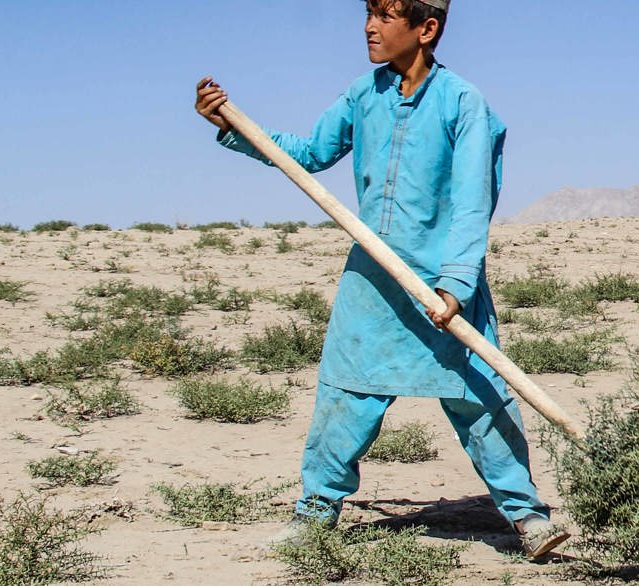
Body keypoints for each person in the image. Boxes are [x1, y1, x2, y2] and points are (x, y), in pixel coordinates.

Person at [192, 0, 569, 560]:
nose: (370, 27)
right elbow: (309, 153)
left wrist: (456, 285)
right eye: (368, 14)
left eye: (386, 16)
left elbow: (473, 201)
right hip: (373, 280)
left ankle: (527, 516)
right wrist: (233, 125)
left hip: (441, 282)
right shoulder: (362, 95)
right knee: (344, 397)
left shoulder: (463, 103)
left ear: (426, 28)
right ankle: (314, 512)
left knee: (479, 398)